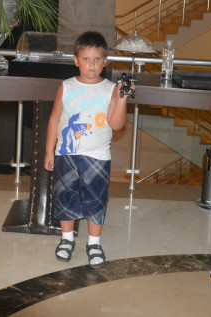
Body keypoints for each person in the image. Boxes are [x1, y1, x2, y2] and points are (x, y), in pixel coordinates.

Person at [44, 31, 133, 268]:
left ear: (105, 61)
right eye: (85, 59)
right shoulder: (66, 86)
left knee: (96, 199)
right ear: (76, 60)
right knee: (65, 196)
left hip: (98, 156)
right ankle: (66, 239)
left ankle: (94, 243)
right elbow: (54, 119)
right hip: (66, 154)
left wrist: (122, 99)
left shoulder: (111, 89)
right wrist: (49, 151)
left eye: (96, 59)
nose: (91, 64)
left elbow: (116, 124)